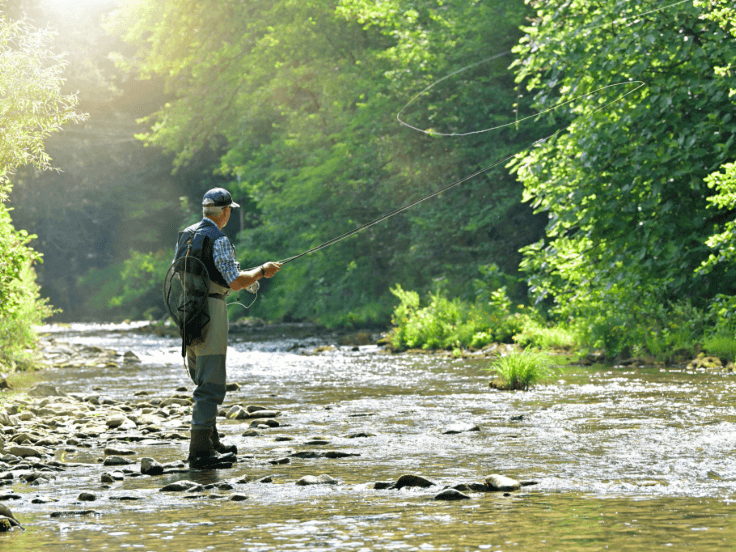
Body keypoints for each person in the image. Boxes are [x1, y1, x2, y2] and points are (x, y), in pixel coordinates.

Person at [173, 187, 282, 469]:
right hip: (211, 310)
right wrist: (261, 271)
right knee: (211, 384)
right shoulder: (218, 237)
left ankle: (211, 441)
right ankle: (199, 452)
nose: (230, 214)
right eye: (229, 210)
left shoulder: (186, 233)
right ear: (224, 212)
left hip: (187, 310)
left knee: (202, 377)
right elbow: (234, 282)